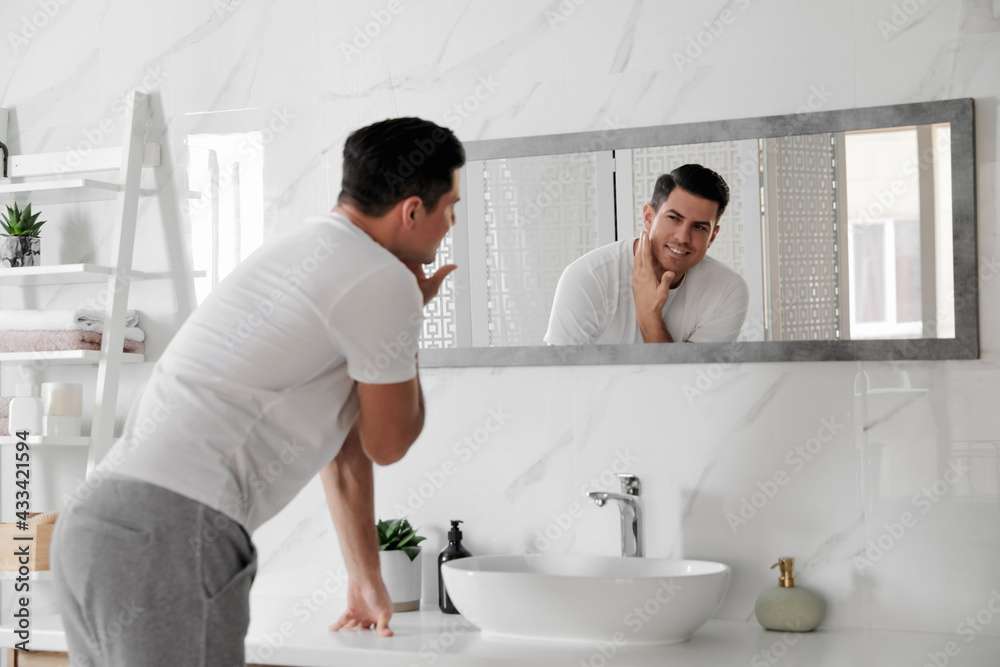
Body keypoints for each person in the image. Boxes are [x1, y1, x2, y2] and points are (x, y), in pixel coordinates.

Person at [50, 117, 465, 666]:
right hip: (172, 537)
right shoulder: (383, 281)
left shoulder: (305, 252)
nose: (450, 225)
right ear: (412, 210)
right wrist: (409, 319)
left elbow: (344, 447)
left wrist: (365, 575)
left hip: (93, 527)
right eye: (450, 209)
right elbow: (387, 443)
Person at [544, 164, 749, 345]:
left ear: (712, 236)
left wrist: (649, 316)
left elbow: (687, 381)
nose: (683, 237)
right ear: (649, 217)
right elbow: (562, 380)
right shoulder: (589, 277)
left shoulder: (727, 289)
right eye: (674, 218)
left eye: (699, 227)